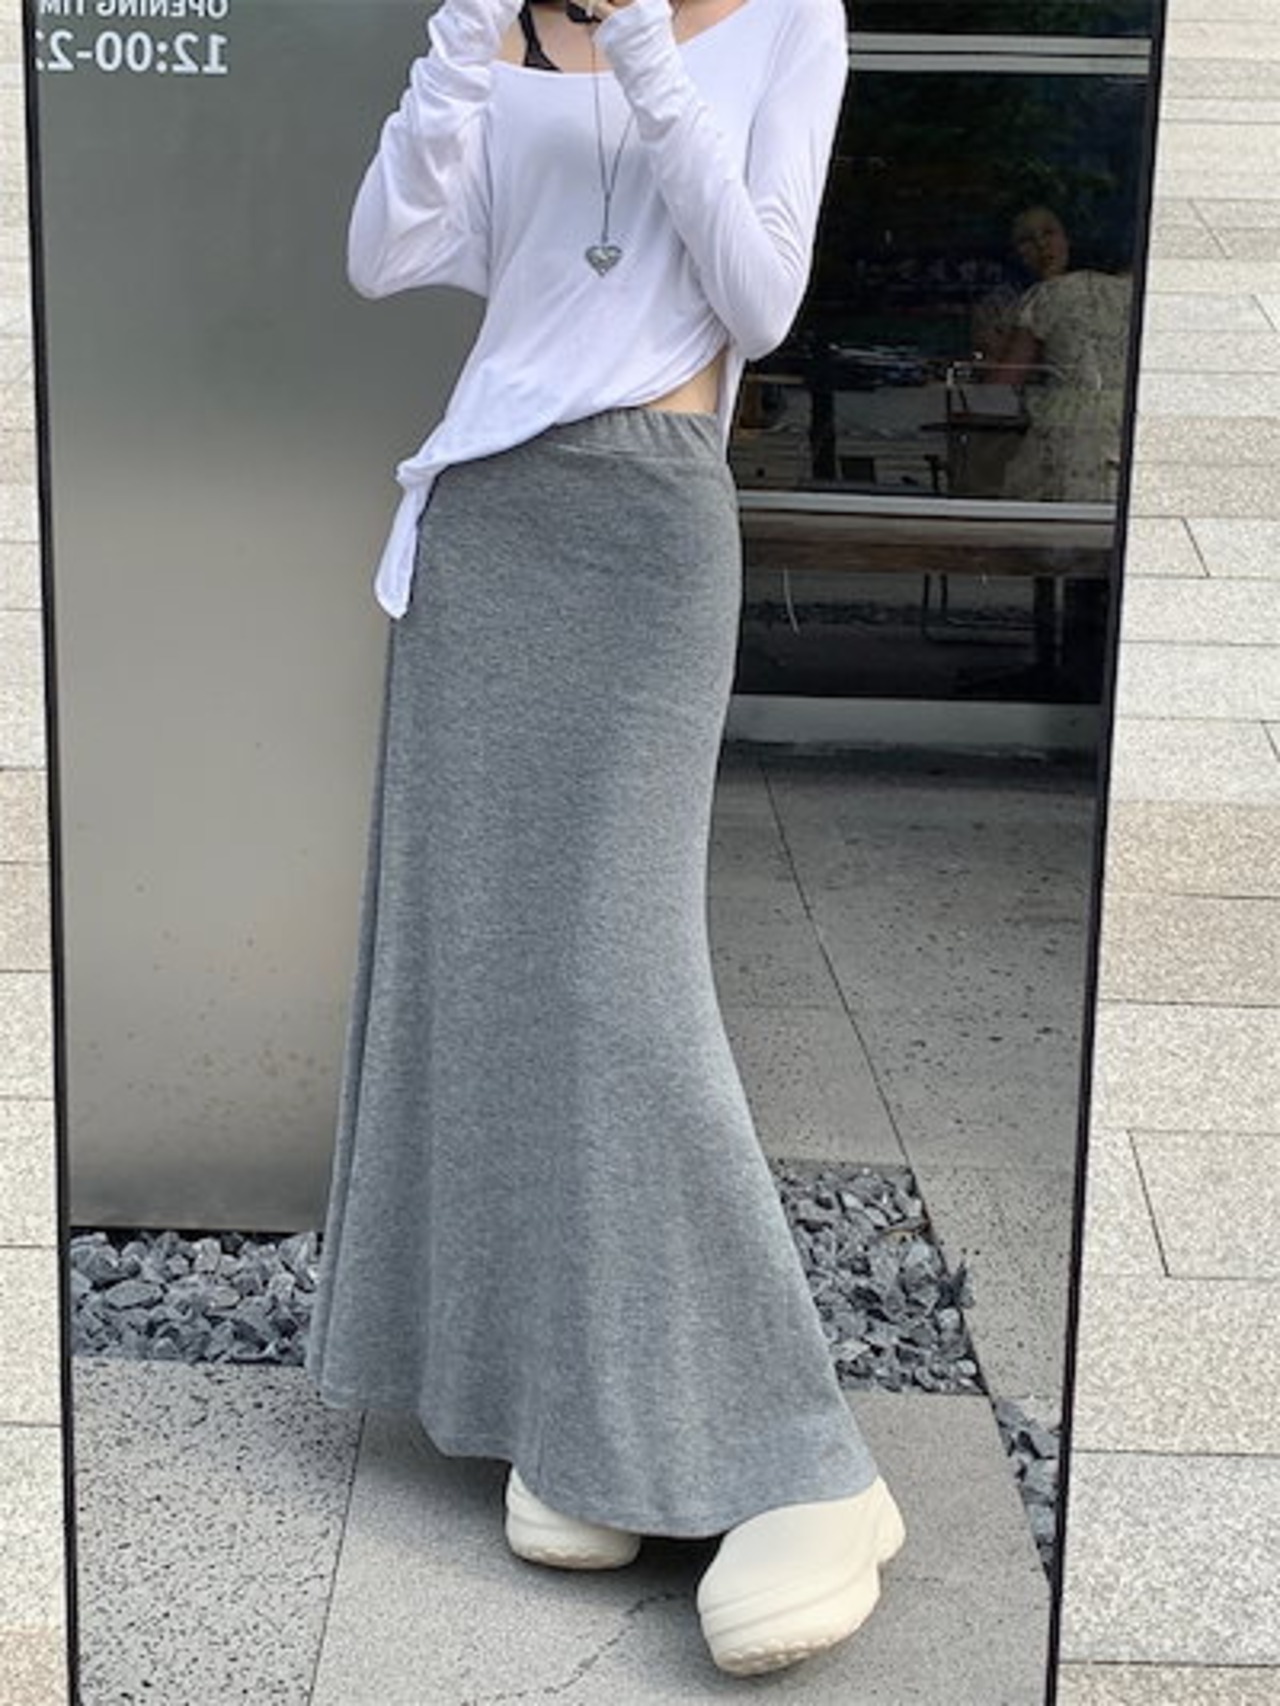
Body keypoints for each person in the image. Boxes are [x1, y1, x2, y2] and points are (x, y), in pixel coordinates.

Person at [302, 0, 905, 1677]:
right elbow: (385, 254)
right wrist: (458, 49)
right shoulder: (499, 37)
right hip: (485, 521)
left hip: (648, 516)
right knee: (477, 964)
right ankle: (571, 1402)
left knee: (613, 978)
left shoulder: (788, 24)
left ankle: (807, 1462)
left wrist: (641, 48)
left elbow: (760, 299)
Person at [982, 204, 1134, 502]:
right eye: (1027, 240)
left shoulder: (1046, 296)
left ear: (1069, 238)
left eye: (1048, 233)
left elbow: (999, 388)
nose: (1041, 246)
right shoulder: (1134, 291)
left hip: (1071, 436)